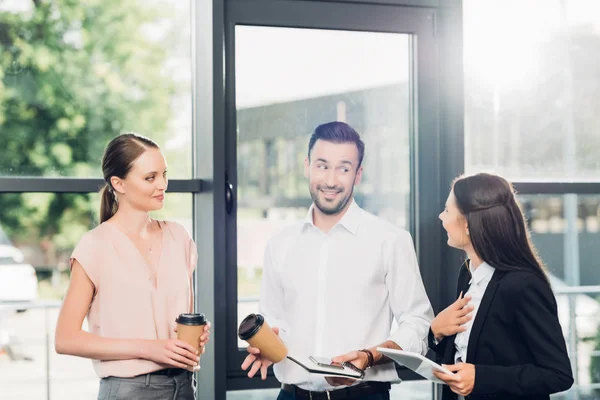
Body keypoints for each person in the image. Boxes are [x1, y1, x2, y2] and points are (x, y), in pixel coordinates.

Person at [242, 122, 434, 400]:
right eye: (322, 165)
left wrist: (370, 355)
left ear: (358, 175)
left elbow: (418, 324)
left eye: (343, 168)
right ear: (307, 166)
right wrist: (268, 346)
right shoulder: (280, 244)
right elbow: (274, 319)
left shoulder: (390, 240)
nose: (331, 180)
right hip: (291, 395)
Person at [55, 133, 210, 400]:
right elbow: (65, 338)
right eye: (150, 178)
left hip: (185, 387)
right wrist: (149, 349)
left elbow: (181, 319)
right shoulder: (95, 245)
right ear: (119, 183)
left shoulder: (179, 237)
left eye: (164, 174)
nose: (162, 184)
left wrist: (195, 336)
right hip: (128, 391)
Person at [430, 173, 573, 400]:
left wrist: (482, 378)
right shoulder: (467, 274)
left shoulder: (523, 285)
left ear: (467, 223)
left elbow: (558, 374)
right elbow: (468, 351)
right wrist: (435, 332)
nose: (441, 217)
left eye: (447, 210)